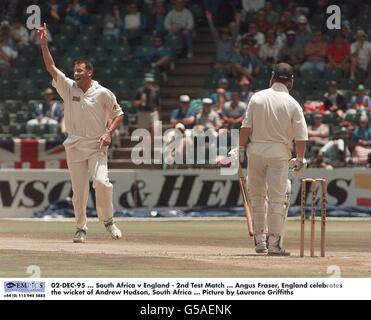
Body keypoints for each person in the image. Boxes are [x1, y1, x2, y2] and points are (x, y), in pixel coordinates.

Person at [37, 23, 124, 243]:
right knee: (79, 192)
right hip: (75, 145)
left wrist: (108, 132)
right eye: (74, 70)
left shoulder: (103, 93)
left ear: (89, 72)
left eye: (80, 71)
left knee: (103, 183)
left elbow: (119, 115)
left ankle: (108, 221)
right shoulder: (68, 88)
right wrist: (44, 43)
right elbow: (51, 67)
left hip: (97, 145)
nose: (76, 73)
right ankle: (80, 228)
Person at [238, 62, 308, 256]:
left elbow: (246, 128)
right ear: (291, 81)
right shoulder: (293, 103)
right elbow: (301, 137)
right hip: (279, 153)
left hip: (256, 150)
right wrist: (300, 159)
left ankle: (260, 243)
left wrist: (240, 149)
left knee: (258, 195)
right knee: (277, 198)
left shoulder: (257, 97)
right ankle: (274, 244)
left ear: (272, 77)